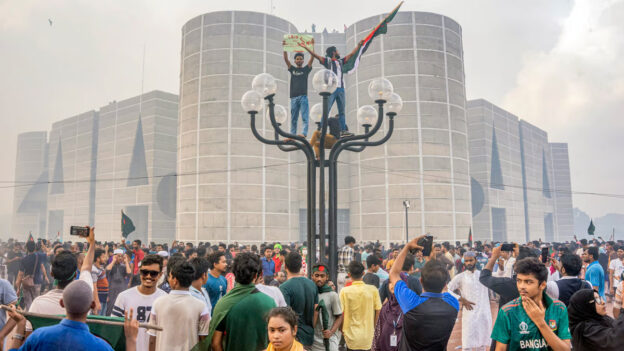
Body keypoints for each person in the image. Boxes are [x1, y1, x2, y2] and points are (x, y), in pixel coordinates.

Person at [6, 279, 138, 351]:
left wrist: (20, 326)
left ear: (62, 303)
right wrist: (131, 340)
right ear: (92, 306)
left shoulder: (39, 337)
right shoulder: (102, 347)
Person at [389, 236, 459, 350]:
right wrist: (431, 260)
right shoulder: (452, 303)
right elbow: (444, 288)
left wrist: (407, 247)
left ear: (420, 280)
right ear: (445, 283)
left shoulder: (412, 303)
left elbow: (394, 273)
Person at [490, 257, 571, 351]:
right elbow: (500, 349)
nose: (521, 287)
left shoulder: (558, 308)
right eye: (519, 280)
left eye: (528, 282)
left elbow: (565, 349)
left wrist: (540, 322)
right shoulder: (507, 311)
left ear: (542, 285)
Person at [207, 252, 276, 351]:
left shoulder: (223, 304)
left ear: (234, 274)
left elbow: (215, 343)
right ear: (256, 275)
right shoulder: (270, 303)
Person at [301, 42, 365, 136]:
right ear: (334, 52)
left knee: (342, 111)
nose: (339, 52)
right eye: (337, 51)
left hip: (341, 89)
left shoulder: (340, 62)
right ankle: (321, 129)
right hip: (332, 89)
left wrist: (359, 46)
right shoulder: (328, 61)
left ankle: (343, 131)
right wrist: (306, 48)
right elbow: (316, 56)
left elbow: (351, 54)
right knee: (327, 110)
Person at [148, 260, 210, 351]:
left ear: (175, 280)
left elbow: (152, 338)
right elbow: (204, 340)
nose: (168, 279)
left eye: (169, 276)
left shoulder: (158, 303)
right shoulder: (201, 306)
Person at [113, 254, 167, 351]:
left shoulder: (165, 299)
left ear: (160, 275)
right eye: (144, 272)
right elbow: (114, 330)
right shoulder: (124, 297)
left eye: (153, 273)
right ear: (139, 272)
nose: (148, 276)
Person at [447, 252, 492, 351]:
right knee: (467, 344)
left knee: (482, 344)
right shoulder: (461, 276)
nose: (468, 263)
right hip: (469, 314)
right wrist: (460, 299)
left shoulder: (483, 275)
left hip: (483, 313)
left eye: (471, 260)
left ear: (475, 260)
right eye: (466, 261)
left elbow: (498, 276)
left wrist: (501, 268)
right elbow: (448, 289)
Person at [279, 251, 318, 349]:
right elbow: (316, 310)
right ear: (301, 266)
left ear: (285, 266)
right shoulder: (312, 284)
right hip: (309, 336)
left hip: (294, 338)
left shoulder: (285, 287)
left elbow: (285, 315)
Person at [340, 260, 381, 351]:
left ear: (349, 274)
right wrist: (374, 328)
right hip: (368, 337)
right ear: (363, 273)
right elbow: (378, 311)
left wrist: (342, 329)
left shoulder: (344, 291)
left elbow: (340, 313)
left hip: (350, 337)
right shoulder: (373, 290)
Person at [283, 43, 314, 137]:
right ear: (295, 61)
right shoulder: (292, 69)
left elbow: (312, 57)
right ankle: (292, 135)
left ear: (303, 60)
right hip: (293, 98)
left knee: (305, 117)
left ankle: (304, 133)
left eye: (301, 59)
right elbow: (286, 59)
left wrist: (311, 47)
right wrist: (285, 48)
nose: (299, 60)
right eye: (297, 59)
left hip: (303, 97)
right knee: (293, 118)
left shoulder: (305, 69)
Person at [310, 263, 342, 351]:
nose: (319, 279)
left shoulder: (333, 295)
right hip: (313, 341)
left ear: (327, 277)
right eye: (317, 275)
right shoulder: (310, 294)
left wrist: (331, 332)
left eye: (322, 276)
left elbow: (339, 317)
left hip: (330, 340)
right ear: (312, 276)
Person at [15, 240, 49, 310]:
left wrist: (18, 287)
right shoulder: (39, 256)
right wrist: (44, 246)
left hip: (26, 283)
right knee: (36, 301)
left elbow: (20, 274)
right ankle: (35, 315)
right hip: (37, 282)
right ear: (35, 247)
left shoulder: (24, 259)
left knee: (28, 302)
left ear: (26, 248)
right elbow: (49, 253)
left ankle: (29, 317)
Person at [105, 248, 131, 316]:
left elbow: (129, 274)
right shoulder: (110, 265)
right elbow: (107, 271)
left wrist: (126, 262)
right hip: (112, 290)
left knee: (122, 307)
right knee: (110, 308)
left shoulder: (124, 266)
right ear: (114, 256)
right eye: (118, 256)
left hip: (122, 289)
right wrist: (113, 261)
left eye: (121, 256)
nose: (120, 258)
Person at [91, 248, 109, 315]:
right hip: (99, 299)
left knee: (103, 317)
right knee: (98, 318)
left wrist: (106, 296)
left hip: (103, 298)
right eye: (103, 257)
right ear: (98, 259)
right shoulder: (94, 270)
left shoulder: (101, 268)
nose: (105, 258)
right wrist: (97, 302)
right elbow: (94, 286)